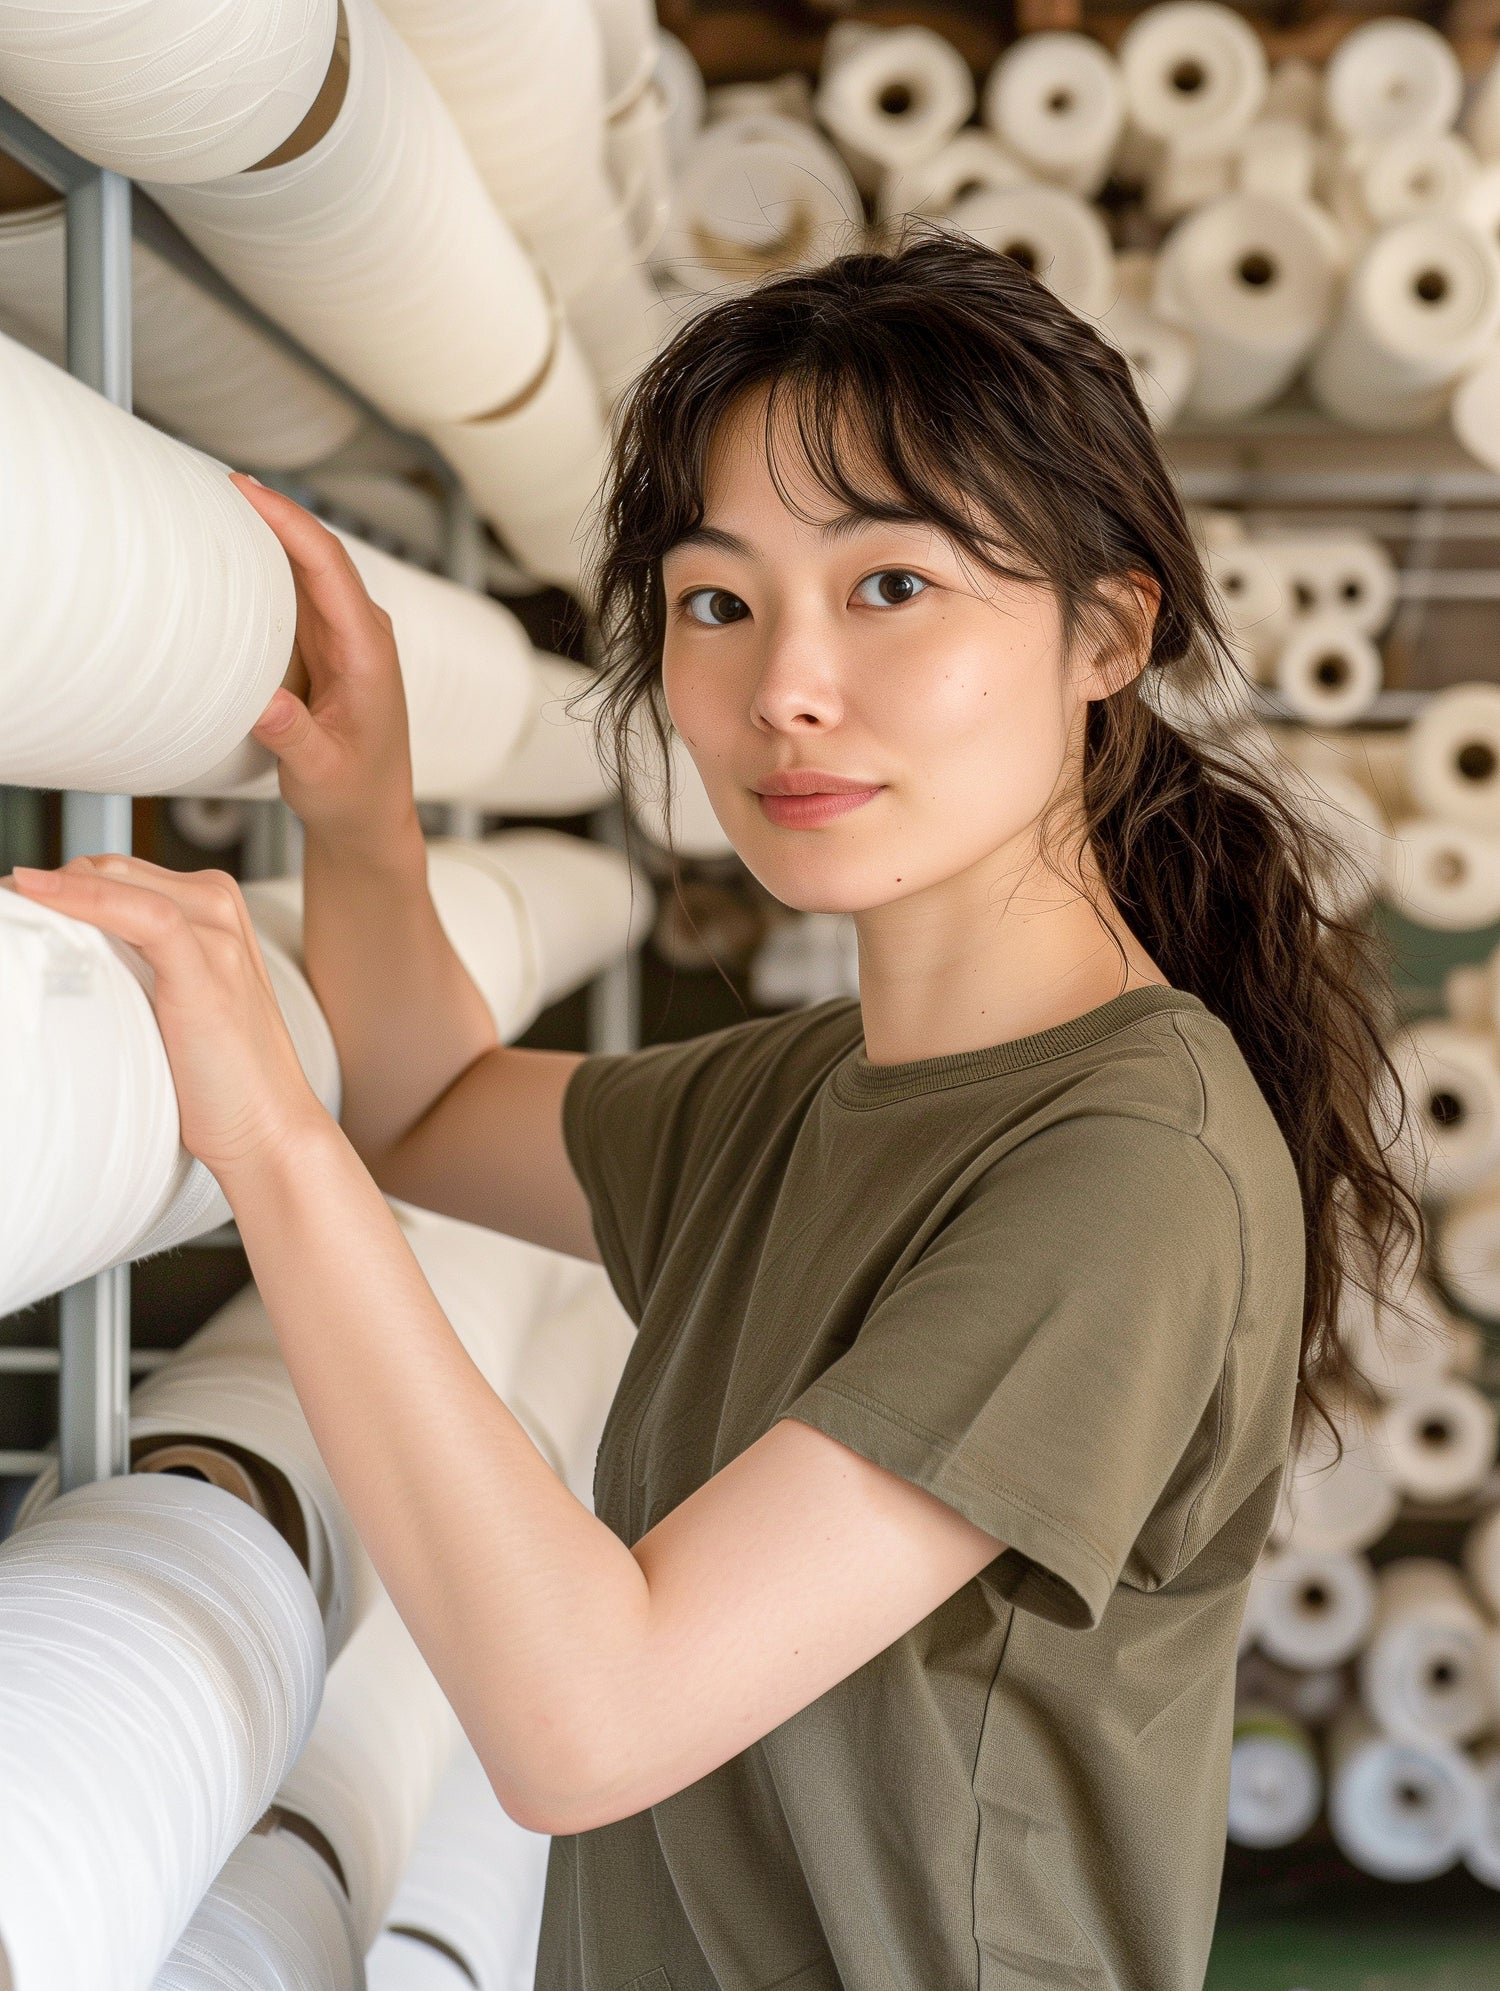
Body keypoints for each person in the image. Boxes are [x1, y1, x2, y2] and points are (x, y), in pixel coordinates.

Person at [12, 235, 1414, 1990]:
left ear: (1108, 630)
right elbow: (432, 1109)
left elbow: (584, 1719)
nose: (785, 688)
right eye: (716, 601)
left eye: (892, 585)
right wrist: (361, 808)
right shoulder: (802, 1098)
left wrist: (271, 1140)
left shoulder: (1127, 1173)